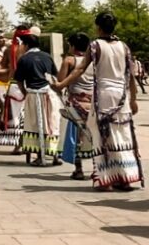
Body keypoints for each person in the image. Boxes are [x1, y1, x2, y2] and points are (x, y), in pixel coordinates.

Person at [82, 13, 142, 190]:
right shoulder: (124, 47)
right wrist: (133, 99)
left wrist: (61, 84)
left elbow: (80, 68)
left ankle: (106, 179)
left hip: (103, 96)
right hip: (122, 97)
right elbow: (131, 75)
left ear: (98, 28)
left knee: (102, 135)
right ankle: (125, 178)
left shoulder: (95, 45)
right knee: (123, 134)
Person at [53, 33, 98, 181]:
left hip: (76, 102)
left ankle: (79, 170)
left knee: (77, 137)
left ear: (72, 46)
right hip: (93, 102)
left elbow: (60, 80)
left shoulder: (69, 60)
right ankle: (96, 168)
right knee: (94, 136)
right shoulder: (94, 60)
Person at [15, 31, 61, 165]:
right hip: (49, 94)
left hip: (33, 95)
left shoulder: (24, 59)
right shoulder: (47, 56)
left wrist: (25, 93)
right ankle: (55, 155)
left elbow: (19, 80)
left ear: (26, 45)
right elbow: (55, 76)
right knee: (51, 123)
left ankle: (40, 156)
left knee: (35, 125)